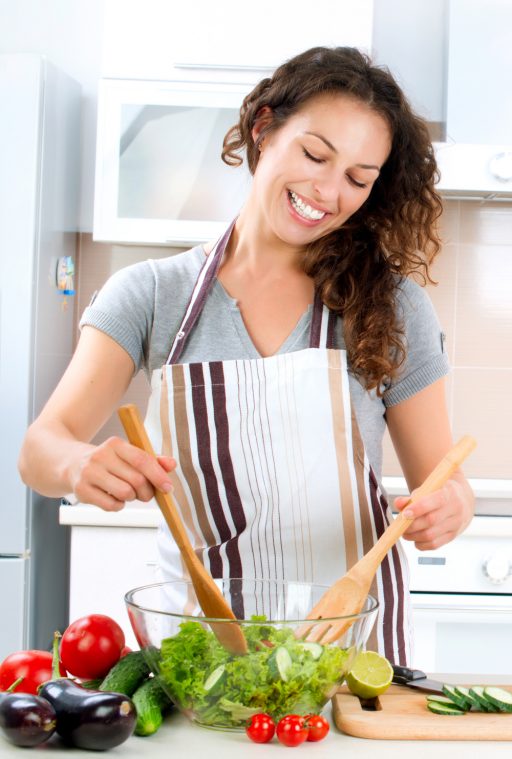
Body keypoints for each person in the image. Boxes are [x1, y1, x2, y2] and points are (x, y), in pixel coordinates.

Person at [18, 46, 475, 665]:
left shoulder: (393, 306)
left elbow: (443, 482)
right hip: (205, 654)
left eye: (357, 179)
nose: (328, 191)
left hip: (348, 648)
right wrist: (79, 465)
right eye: (316, 155)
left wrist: (451, 508)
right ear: (263, 129)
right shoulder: (153, 294)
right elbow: (41, 447)